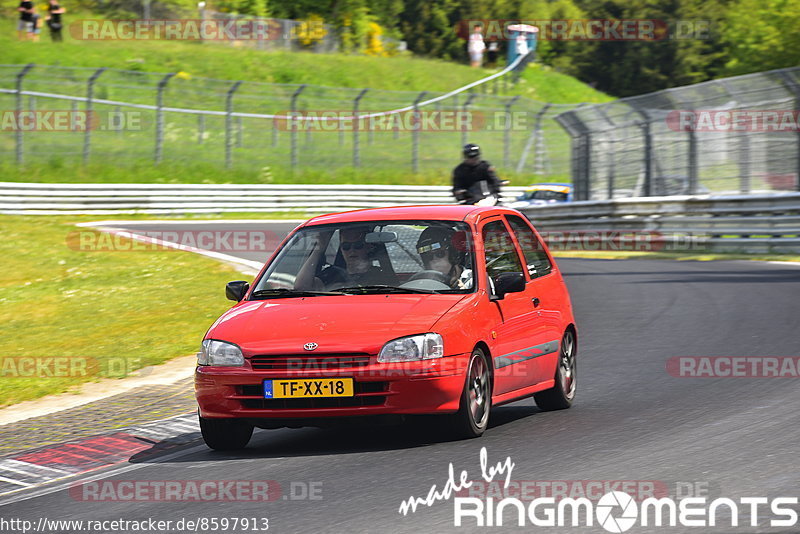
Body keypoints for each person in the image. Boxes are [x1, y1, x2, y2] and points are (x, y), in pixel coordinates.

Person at [295, 227, 395, 290]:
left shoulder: (380, 275)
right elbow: (301, 287)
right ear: (341, 249)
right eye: (346, 246)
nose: (352, 251)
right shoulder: (331, 274)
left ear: (368, 247)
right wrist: (319, 250)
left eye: (358, 245)